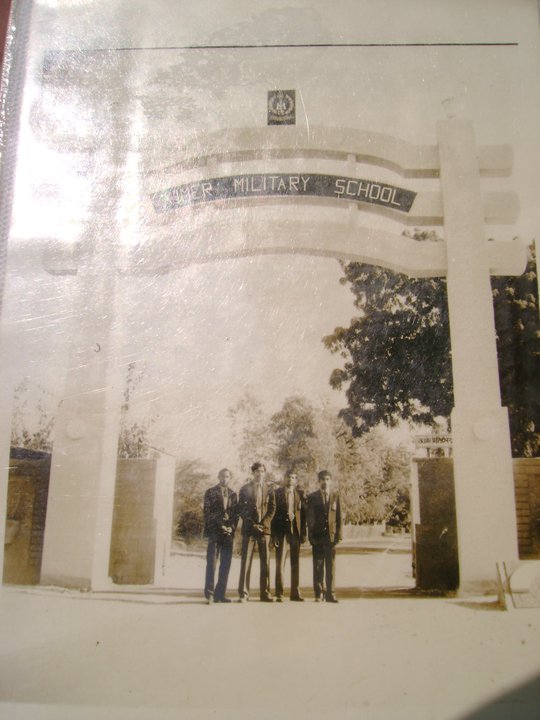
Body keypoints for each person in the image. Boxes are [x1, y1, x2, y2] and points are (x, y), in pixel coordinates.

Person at [237, 462, 276, 602]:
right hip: (249, 529)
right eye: (257, 471)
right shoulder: (244, 489)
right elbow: (241, 509)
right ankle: (243, 593)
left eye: (262, 471)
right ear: (253, 473)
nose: (260, 474)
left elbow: (272, 509)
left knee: (265, 562)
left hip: (264, 530)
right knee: (246, 562)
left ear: (265, 473)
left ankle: (265, 593)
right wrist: (253, 525)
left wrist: (263, 524)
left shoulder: (270, 490)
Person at [203, 468, 238, 604]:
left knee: (226, 564)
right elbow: (208, 512)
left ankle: (220, 594)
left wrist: (231, 527)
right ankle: (210, 594)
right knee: (212, 563)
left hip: (228, 534)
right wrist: (220, 525)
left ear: (230, 478)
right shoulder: (210, 492)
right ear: (218, 477)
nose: (225, 479)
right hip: (215, 533)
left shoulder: (233, 494)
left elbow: (235, 514)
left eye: (227, 476)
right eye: (222, 476)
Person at [307, 470, 342, 603]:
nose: (325, 482)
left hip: (331, 538)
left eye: (327, 479)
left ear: (330, 481)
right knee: (318, 565)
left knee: (331, 566)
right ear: (318, 481)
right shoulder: (312, 497)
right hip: (318, 537)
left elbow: (339, 517)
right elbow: (310, 519)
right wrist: (311, 536)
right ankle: (318, 593)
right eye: (322, 479)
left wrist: (339, 535)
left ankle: (331, 594)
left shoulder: (335, 496)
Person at [272, 469, 306, 602]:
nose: (290, 480)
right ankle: (279, 593)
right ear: (284, 478)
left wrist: (303, 534)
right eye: (288, 477)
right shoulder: (277, 494)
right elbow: (273, 515)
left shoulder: (300, 495)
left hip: (295, 533)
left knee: (295, 564)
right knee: (280, 564)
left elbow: (303, 516)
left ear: (296, 480)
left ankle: (295, 593)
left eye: (293, 478)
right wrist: (274, 535)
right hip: (281, 533)